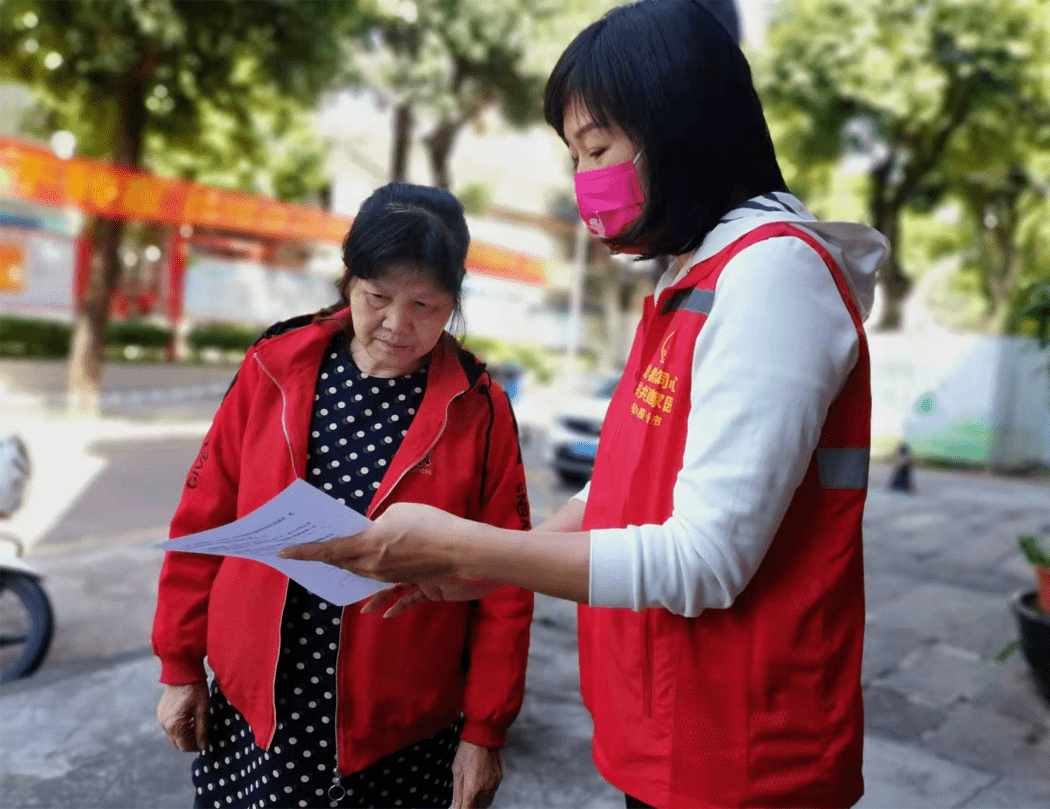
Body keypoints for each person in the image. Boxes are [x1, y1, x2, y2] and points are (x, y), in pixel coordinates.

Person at [282, 1, 890, 807]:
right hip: (672, 731)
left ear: (681, 128)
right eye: (575, 156)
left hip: (742, 754)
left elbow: (704, 560)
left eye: (596, 148)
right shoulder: (688, 282)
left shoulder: (773, 275)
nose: (584, 181)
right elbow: (620, 494)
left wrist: (475, 547)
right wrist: (472, 565)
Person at [152, 182, 534, 809]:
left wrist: (485, 730)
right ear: (348, 282)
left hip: (402, 730)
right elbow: (205, 514)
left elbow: (506, 581)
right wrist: (181, 666)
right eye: (377, 297)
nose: (397, 325)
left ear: (454, 302)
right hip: (257, 711)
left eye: (425, 306)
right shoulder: (275, 366)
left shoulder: (480, 409)